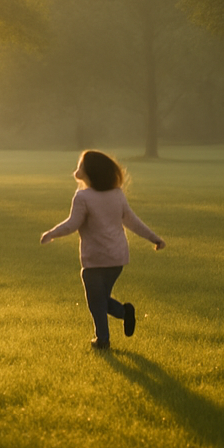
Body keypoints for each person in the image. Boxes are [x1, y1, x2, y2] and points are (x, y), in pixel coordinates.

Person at [40, 149, 166, 350]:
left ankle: (103, 340)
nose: (77, 169)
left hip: (95, 259)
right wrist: (155, 238)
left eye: (81, 166)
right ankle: (125, 313)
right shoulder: (117, 194)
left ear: (90, 172)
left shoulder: (83, 197)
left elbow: (72, 224)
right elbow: (133, 222)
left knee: (96, 302)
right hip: (117, 259)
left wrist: (51, 233)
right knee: (101, 299)